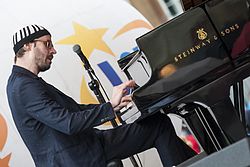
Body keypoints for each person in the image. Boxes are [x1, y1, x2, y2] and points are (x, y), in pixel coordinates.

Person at [7, 24, 196, 167]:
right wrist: (109, 107)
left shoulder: (23, 83)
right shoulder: (24, 86)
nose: (53, 50)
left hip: (82, 149)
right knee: (158, 125)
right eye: (47, 44)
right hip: (78, 158)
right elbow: (68, 124)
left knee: (158, 124)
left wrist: (113, 106)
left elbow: (74, 111)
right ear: (28, 46)